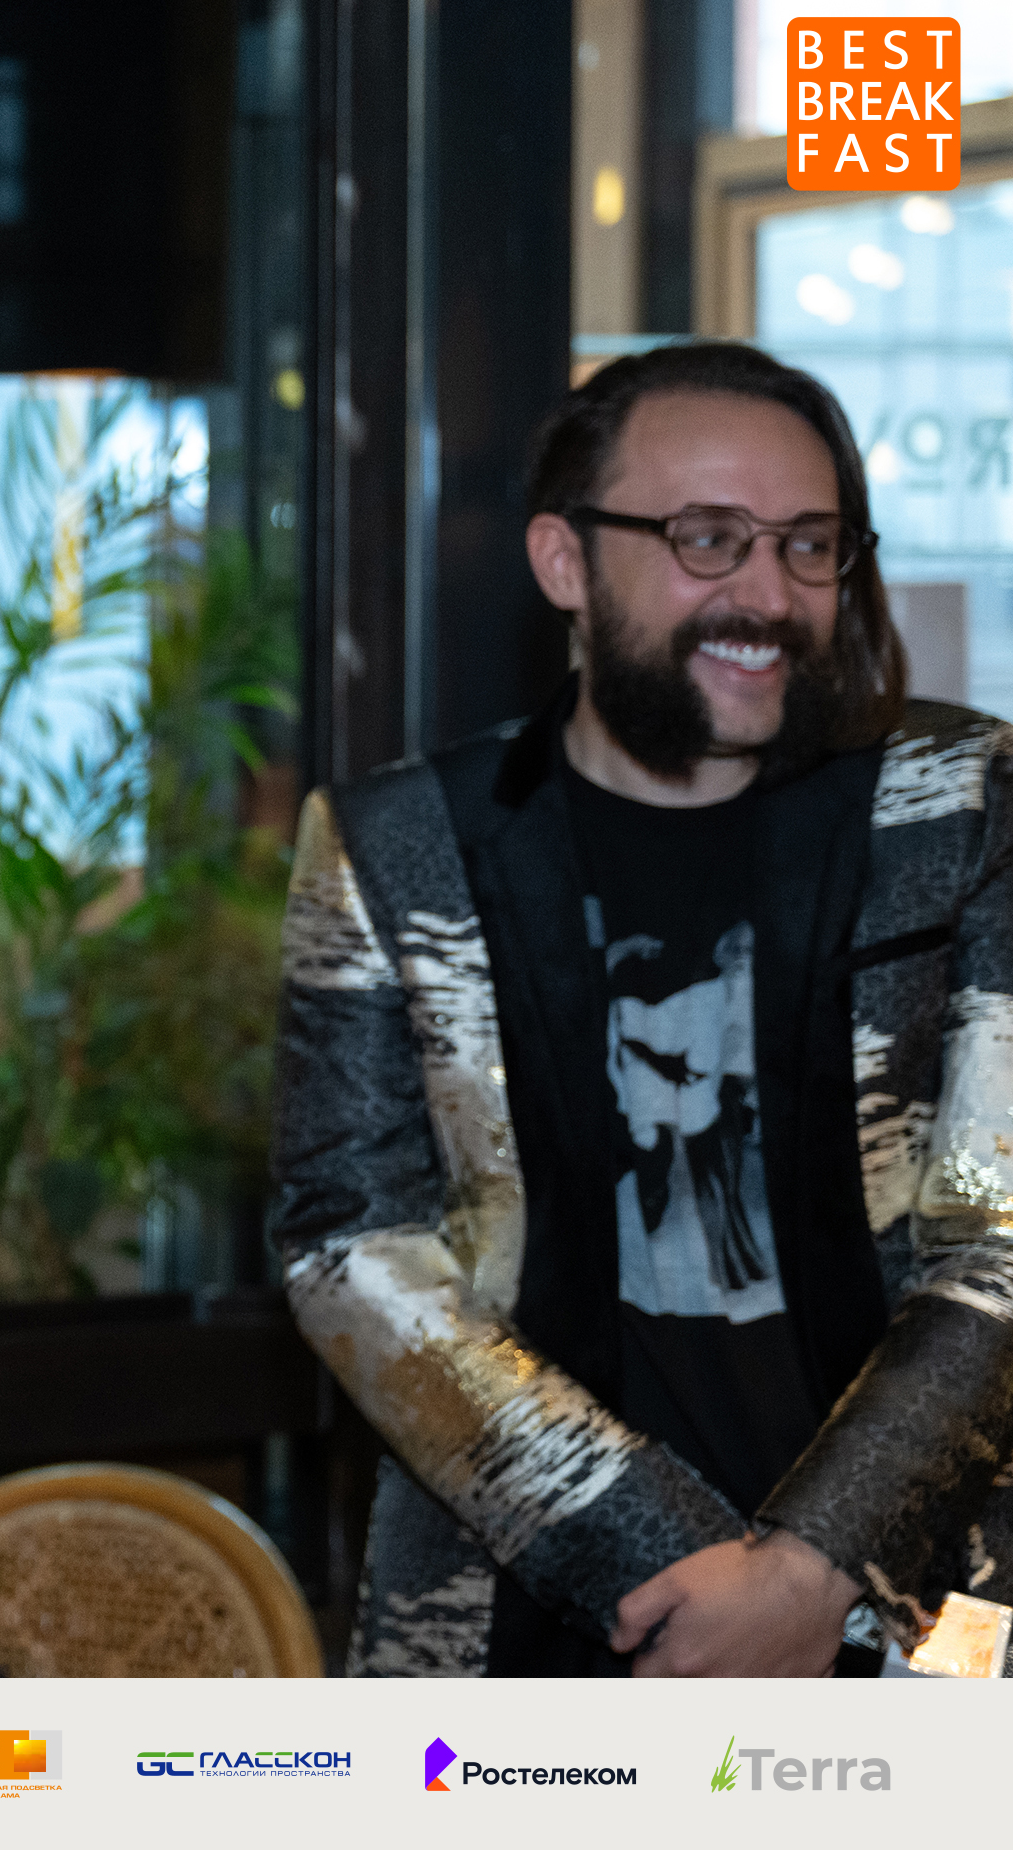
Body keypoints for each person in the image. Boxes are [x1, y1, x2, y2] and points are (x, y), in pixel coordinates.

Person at [273, 340, 1013, 1677]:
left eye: (808, 546)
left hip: (914, 1619)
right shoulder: (396, 844)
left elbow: (1000, 1234)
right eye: (707, 539)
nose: (768, 595)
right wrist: (673, 1565)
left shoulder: (960, 806)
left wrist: (811, 1570)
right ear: (565, 561)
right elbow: (349, 1243)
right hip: (517, 1621)